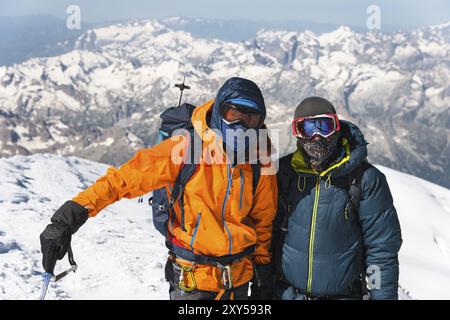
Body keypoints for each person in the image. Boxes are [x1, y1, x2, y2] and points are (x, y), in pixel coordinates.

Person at [39, 77, 278, 300]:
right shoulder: (186, 149)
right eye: (232, 114)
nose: (240, 125)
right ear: (218, 112)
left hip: (239, 281)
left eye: (250, 119)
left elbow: (262, 219)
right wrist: (67, 219)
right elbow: (122, 180)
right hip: (192, 282)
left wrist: (262, 267)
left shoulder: (259, 159)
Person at [272, 96, 402, 300]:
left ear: (337, 127)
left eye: (324, 126)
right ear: (297, 133)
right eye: (306, 128)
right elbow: (267, 233)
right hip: (287, 294)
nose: (316, 136)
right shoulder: (286, 173)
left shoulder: (364, 179)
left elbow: (381, 249)